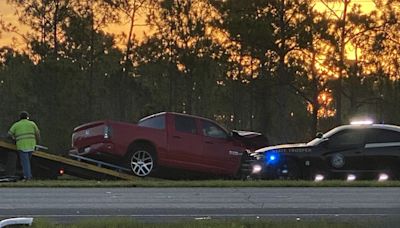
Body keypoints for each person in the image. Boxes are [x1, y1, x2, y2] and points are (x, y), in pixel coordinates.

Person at [8, 111, 40, 180]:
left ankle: (27, 177)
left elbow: (9, 134)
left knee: (25, 163)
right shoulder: (32, 124)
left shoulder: (16, 125)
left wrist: (14, 139)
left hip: (21, 146)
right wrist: (37, 142)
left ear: (20, 117)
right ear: (27, 117)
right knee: (27, 161)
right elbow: (37, 134)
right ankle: (28, 175)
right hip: (31, 146)